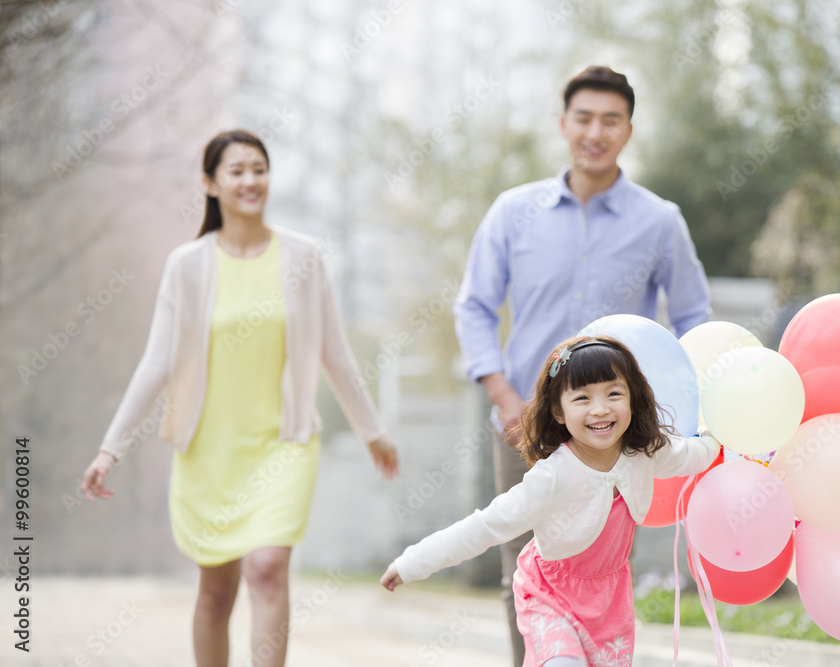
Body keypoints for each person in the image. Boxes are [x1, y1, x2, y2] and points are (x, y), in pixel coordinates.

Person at [80, 129, 399, 667]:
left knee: (267, 568)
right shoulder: (187, 265)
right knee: (216, 593)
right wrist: (111, 448)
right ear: (210, 183)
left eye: (259, 168)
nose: (251, 180)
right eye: (236, 171)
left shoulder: (303, 256)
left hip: (284, 444)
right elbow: (156, 362)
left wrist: (371, 430)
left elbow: (336, 354)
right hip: (209, 452)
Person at [453, 65, 712, 664]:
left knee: (602, 573)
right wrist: (501, 396)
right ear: (563, 123)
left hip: (613, 434)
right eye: (584, 118)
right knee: (523, 570)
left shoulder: (660, 221)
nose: (595, 131)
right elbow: (474, 306)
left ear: (628, 129)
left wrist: (684, 406)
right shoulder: (512, 211)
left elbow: (695, 314)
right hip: (525, 424)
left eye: (610, 120)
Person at [381, 336, 720, 667]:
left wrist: (719, 433)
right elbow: (485, 526)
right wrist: (412, 563)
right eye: (583, 398)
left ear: (633, 399)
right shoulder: (551, 478)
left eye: (614, 394)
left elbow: (693, 455)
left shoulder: (644, 452)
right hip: (549, 595)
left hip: (609, 600)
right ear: (558, 411)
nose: (601, 408)